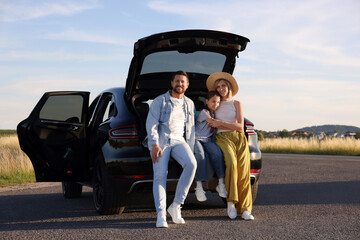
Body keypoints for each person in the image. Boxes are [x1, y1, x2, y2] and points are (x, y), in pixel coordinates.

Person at [146, 70, 197, 228]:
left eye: (183, 82)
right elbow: (151, 123)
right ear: (172, 83)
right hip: (162, 141)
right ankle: (161, 214)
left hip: (180, 141)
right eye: (177, 81)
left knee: (192, 164)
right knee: (160, 175)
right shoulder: (160, 101)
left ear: (187, 85)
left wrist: (191, 148)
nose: (179, 84)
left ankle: (175, 206)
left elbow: (191, 129)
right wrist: (154, 144)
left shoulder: (189, 103)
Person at [206, 72, 254, 221]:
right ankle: (231, 203)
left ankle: (245, 209)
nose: (221, 89)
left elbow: (240, 126)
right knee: (232, 165)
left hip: (239, 138)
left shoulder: (237, 104)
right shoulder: (216, 105)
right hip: (223, 138)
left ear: (229, 87)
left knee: (244, 172)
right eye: (218, 86)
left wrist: (220, 123)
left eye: (223, 86)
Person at [193, 91, 227, 202]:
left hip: (207, 141)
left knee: (217, 153)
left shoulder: (215, 114)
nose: (215, 104)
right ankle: (199, 187)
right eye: (213, 101)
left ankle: (221, 184)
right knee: (200, 155)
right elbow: (213, 123)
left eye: (218, 102)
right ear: (206, 101)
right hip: (196, 139)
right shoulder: (204, 112)